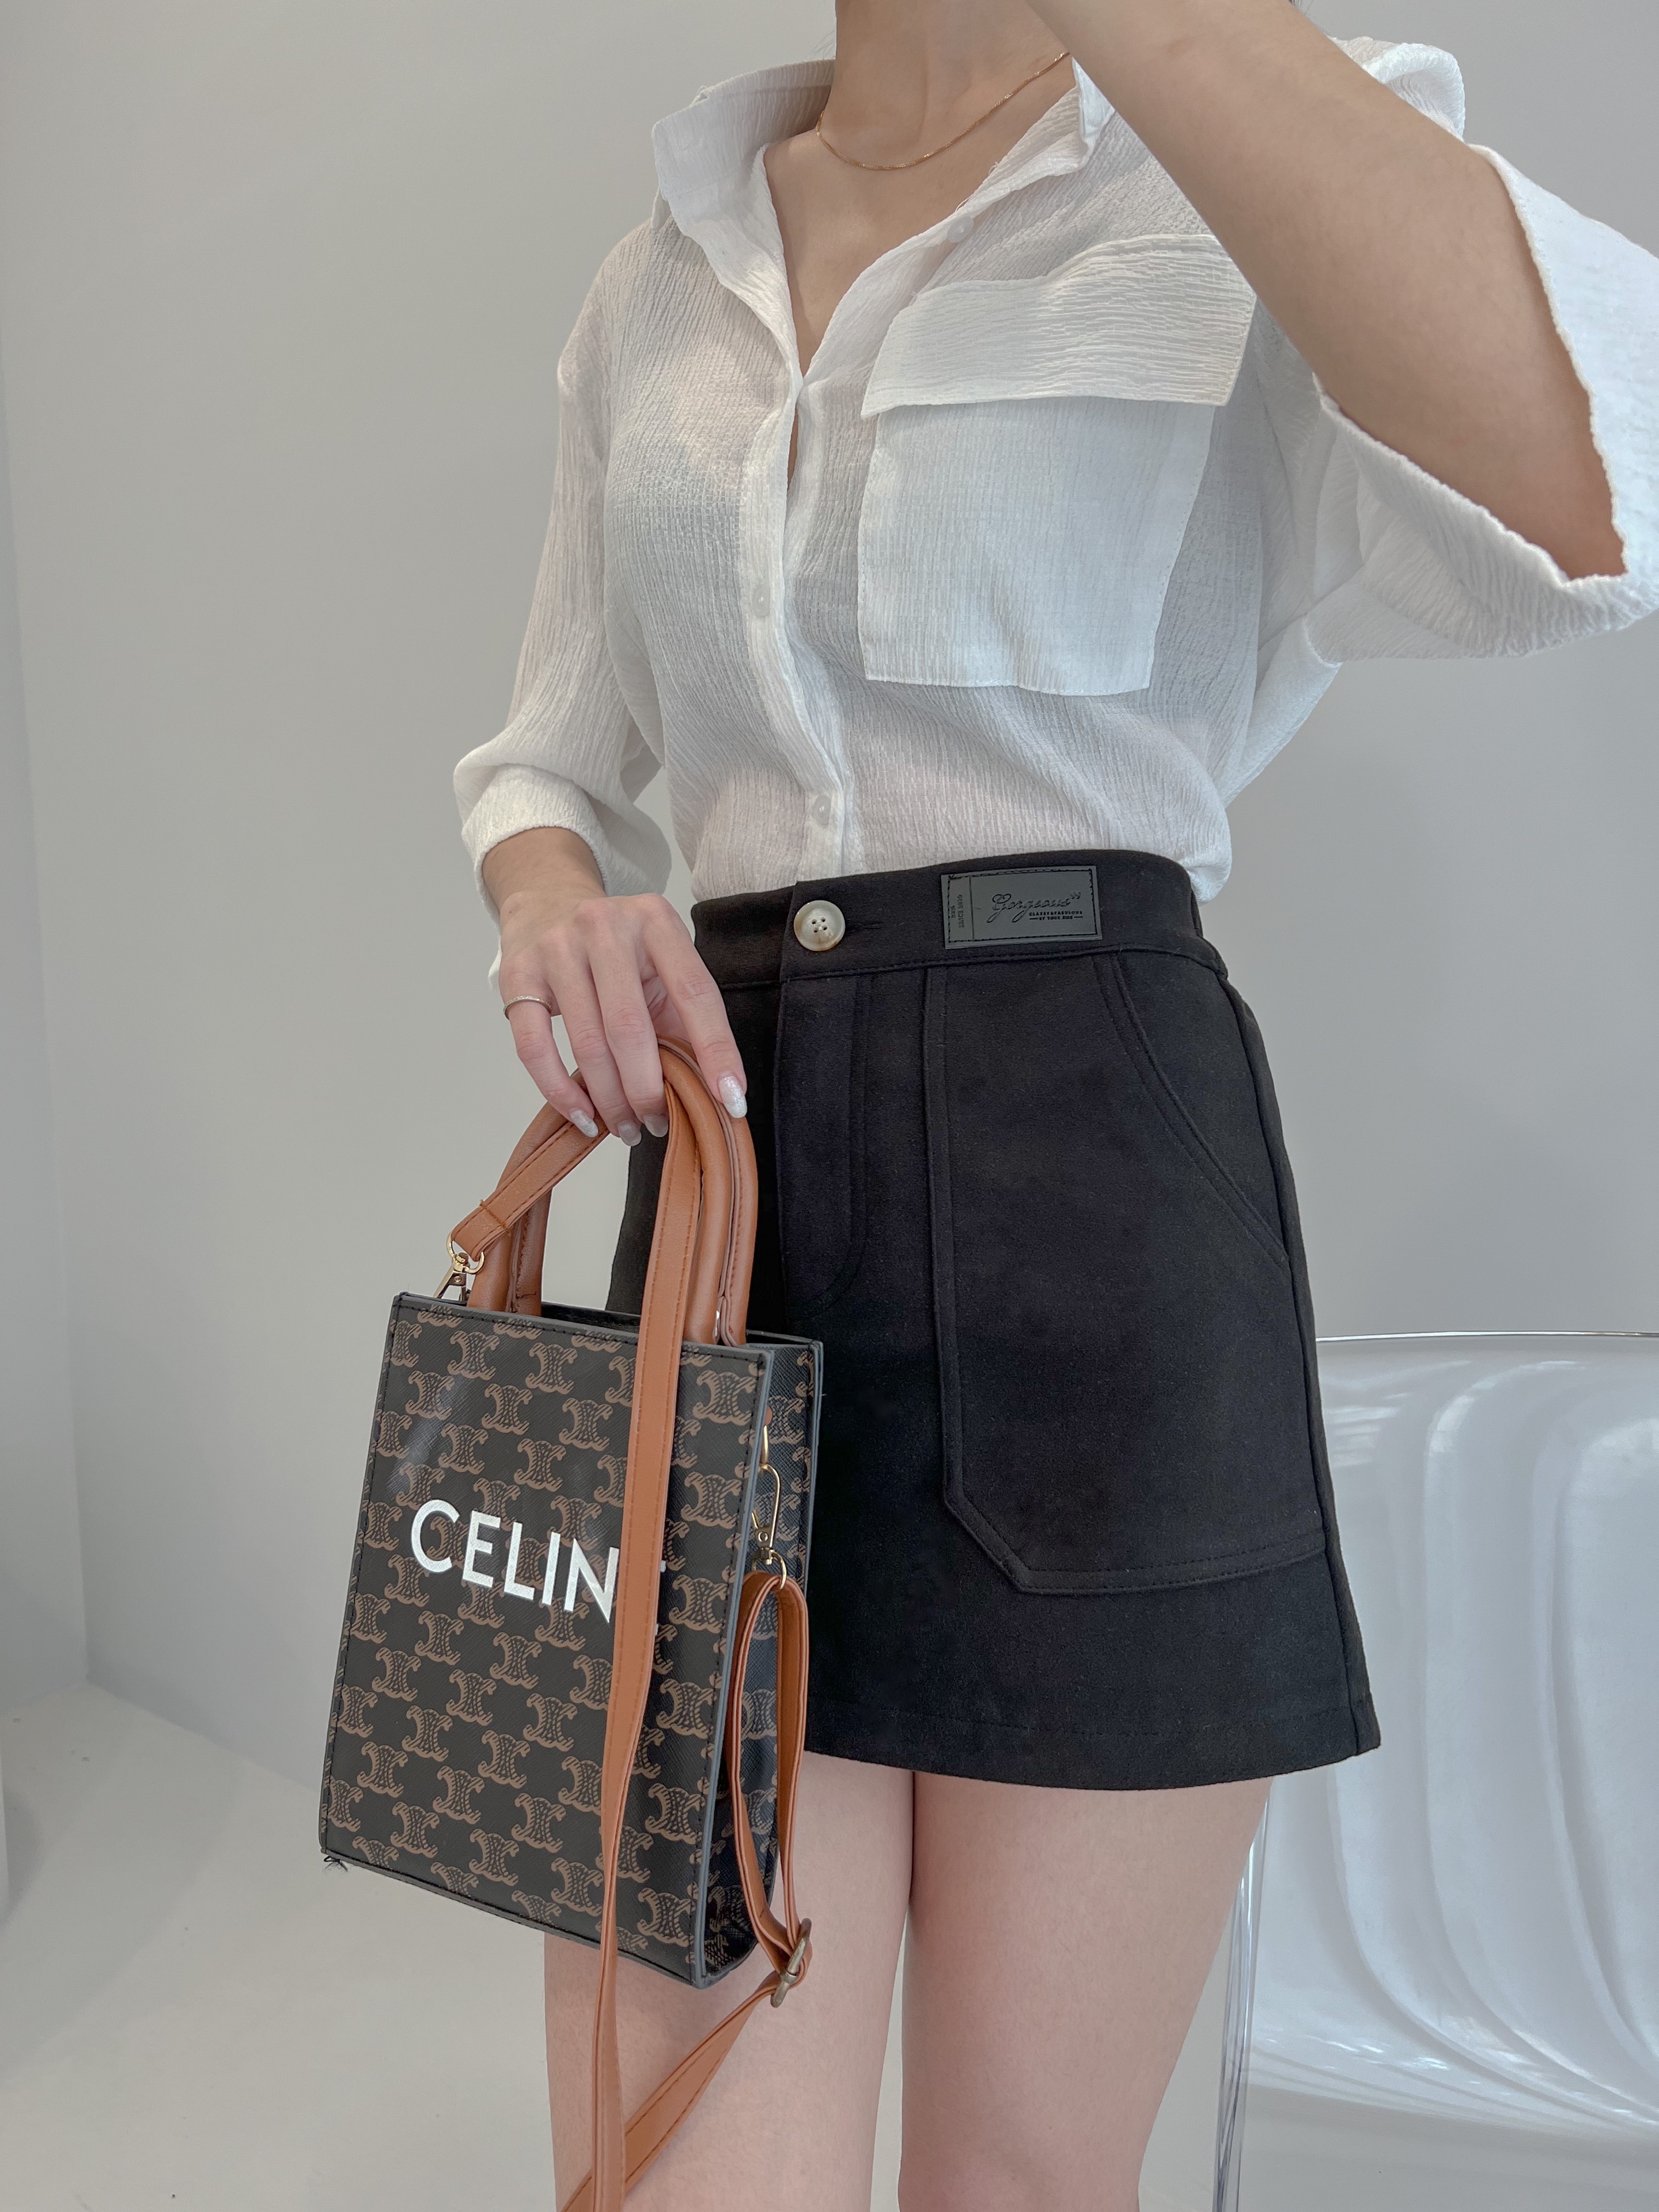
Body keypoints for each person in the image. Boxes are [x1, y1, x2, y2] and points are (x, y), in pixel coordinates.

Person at [453, 2, 1659, 2206]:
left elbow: (1592, 501)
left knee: (1024, 2179)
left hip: (1101, 1230)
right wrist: (554, 898)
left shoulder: (1243, 146)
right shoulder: (663, 276)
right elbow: (546, 748)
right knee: (672, 2170)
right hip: (727, 1244)